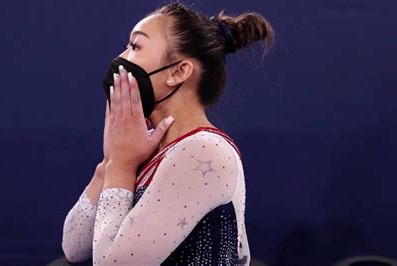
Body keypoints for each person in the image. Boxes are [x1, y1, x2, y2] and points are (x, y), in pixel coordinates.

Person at [61, 2, 274, 265]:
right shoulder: (151, 149)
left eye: (135, 46)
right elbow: (74, 246)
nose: (121, 59)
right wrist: (110, 161)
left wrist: (122, 166)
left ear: (178, 71)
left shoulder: (203, 151)